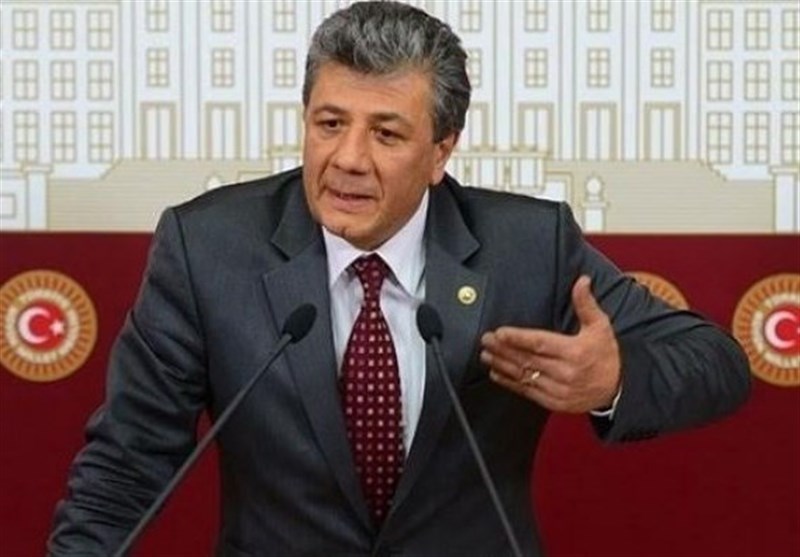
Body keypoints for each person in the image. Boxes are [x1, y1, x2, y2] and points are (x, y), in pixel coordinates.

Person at [48, 2, 751, 556]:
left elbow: (716, 361)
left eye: (386, 134)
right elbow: (126, 464)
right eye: (329, 123)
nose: (348, 158)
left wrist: (614, 380)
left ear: (441, 151)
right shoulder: (208, 249)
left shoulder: (528, 248)